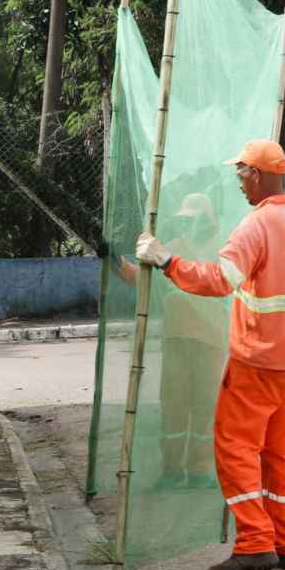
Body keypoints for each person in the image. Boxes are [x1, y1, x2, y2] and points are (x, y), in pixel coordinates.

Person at [134, 140, 285, 570]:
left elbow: (221, 280)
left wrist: (165, 260)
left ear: (257, 174)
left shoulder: (256, 225)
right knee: (281, 450)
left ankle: (255, 543)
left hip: (259, 360)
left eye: (240, 175)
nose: (238, 184)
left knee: (235, 446)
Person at [118, 192, 230, 488]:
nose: (189, 225)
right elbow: (144, 279)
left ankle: (199, 470)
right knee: (174, 404)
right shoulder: (174, 249)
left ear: (208, 219)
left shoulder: (223, 250)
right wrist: (116, 261)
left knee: (206, 406)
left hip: (212, 342)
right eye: (186, 220)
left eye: (194, 219)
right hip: (178, 339)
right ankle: (171, 469)